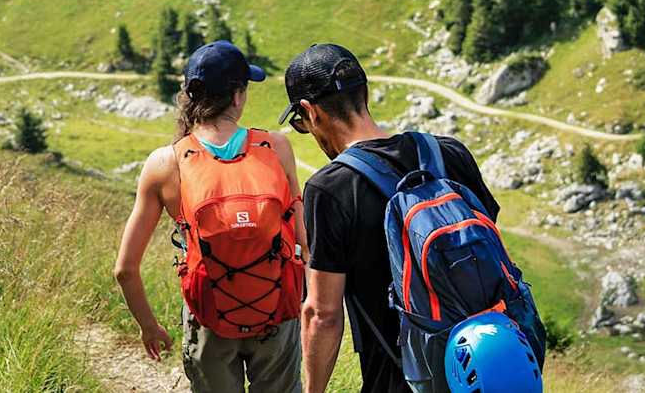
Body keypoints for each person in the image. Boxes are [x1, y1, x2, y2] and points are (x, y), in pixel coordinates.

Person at [279, 43, 500, 393]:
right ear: (365, 92)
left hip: (404, 378)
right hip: (487, 368)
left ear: (311, 112)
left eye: (301, 123)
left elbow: (323, 315)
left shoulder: (329, 189)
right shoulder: (448, 153)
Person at [115, 40, 308, 393]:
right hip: (277, 312)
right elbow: (304, 242)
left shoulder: (165, 163)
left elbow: (125, 270)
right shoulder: (276, 147)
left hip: (209, 319)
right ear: (237, 96)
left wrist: (149, 326)